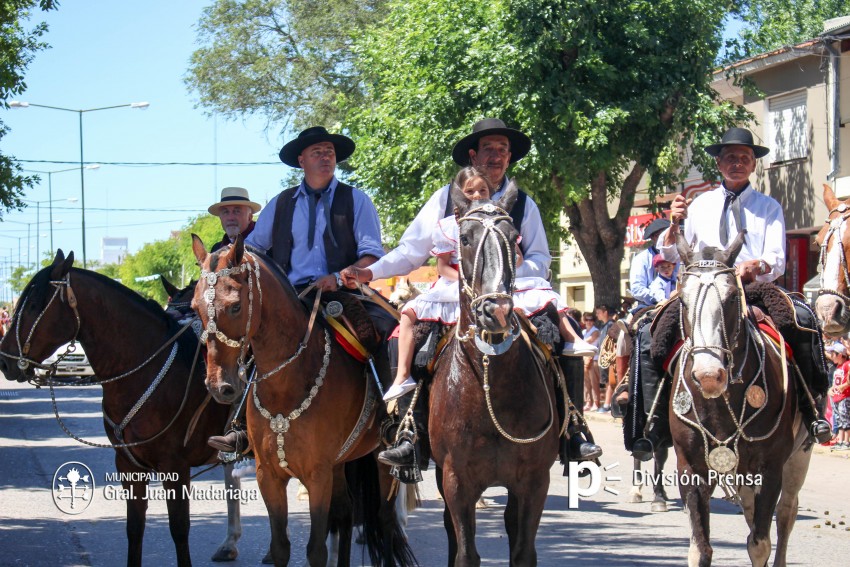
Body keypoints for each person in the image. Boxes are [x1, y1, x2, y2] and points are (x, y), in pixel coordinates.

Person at [342, 118, 598, 466]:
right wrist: (369, 271)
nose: (496, 156)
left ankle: (573, 431)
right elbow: (411, 251)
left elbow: (539, 258)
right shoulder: (444, 200)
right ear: (473, 156)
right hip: (456, 291)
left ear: (509, 158)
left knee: (561, 335)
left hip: (513, 291)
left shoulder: (524, 204)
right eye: (489, 149)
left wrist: (508, 272)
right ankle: (410, 435)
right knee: (404, 336)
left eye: (503, 150)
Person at [631, 127, 831, 458]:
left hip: (751, 288)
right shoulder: (699, 205)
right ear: (719, 164)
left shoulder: (768, 207)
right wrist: (674, 224)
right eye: (730, 158)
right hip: (701, 290)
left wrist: (757, 264)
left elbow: (777, 259)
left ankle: (811, 412)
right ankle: (651, 422)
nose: (737, 163)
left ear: (753, 165)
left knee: (802, 320)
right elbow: (669, 255)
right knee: (650, 332)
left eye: (744, 158)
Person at [205, 187, 262, 453]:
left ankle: (239, 427)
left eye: (237, 210)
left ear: (249, 214)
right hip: (224, 321)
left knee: (255, 358)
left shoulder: (262, 241)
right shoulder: (216, 251)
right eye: (225, 211)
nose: (231, 216)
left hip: (259, 321)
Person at [629, 218, 677, 310]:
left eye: (668, 234)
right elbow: (637, 289)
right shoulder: (641, 259)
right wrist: (660, 296)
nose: (665, 238)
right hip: (650, 305)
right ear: (653, 238)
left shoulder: (679, 256)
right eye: (660, 235)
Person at [208, 187, 261, 253]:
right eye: (225, 212)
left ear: (249, 217)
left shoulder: (267, 245)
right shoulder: (216, 249)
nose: (230, 218)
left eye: (237, 211)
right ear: (220, 218)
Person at [829, 342, 850, 450]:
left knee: (845, 418)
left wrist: (845, 385)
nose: (831, 356)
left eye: (833, 354)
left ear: (840, 355)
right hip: (836, 397)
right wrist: (831, 389)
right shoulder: (838, 367)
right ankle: (840, 440)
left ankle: (846, 441)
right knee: (839, 419)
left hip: (844, 396)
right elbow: (835, 383)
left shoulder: (847, 365)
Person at [581, 312, 602, 411]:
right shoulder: (583, 332)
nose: (589, 322)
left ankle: (596, 403)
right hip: (585, 358)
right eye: (587, 320)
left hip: (593, 358)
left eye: (591, 320)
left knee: (594, 382)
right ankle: (588, 402)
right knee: (586, 383)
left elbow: (588, 341)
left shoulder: (595, 331)